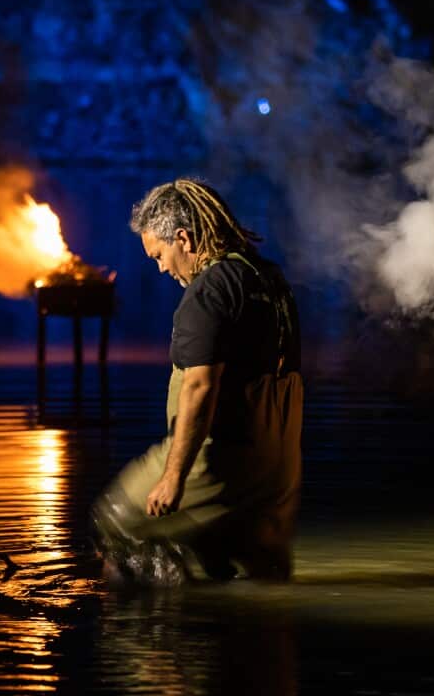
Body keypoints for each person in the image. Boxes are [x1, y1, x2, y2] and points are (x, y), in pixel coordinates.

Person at [90, 178, 303, 584]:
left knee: (115, 522)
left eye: (159, 255)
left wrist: (174, 477)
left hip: (222, 459)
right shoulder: (269, 279)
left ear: (183, 239)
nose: (161, 268)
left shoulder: (209, 292)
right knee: (261, 563)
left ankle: (157, 621)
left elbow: (200, 387)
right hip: (278, 466)